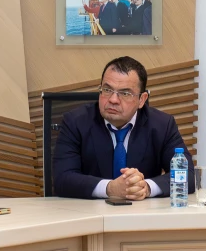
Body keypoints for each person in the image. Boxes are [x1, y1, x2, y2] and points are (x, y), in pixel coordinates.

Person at [52, 57, 194, 199]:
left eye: (125, 93)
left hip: (142, 210)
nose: (113, 100)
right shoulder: (75, 122)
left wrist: (146, 188)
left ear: (142, 100)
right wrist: (109, 188)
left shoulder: (162, 125)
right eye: (107, 90)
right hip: (89, 210)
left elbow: (188, 175)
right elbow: (62, 178)